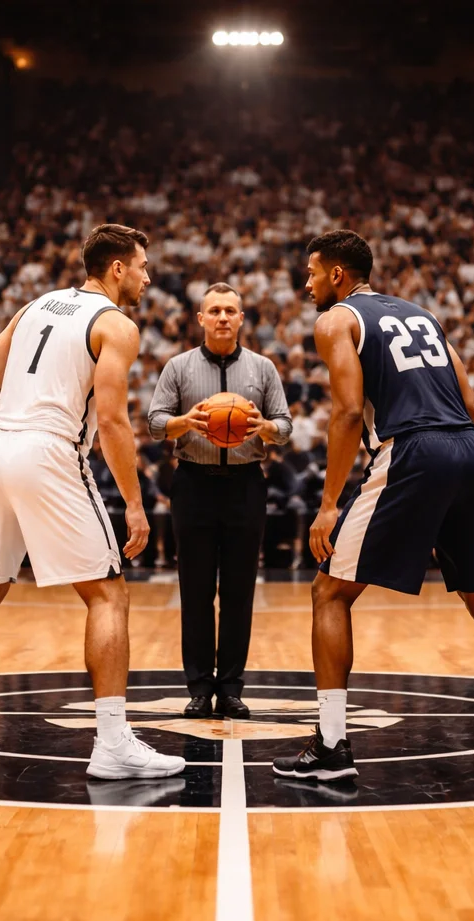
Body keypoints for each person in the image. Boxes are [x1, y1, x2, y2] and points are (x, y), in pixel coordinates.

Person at [0, 224, 185, 781]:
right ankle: (114, 743)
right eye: (142, 266)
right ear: (116, 268)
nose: (148, 277)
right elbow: (114, 420)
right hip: (50, 449)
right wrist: (136, 504)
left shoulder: (33, 307)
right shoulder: (116, 324)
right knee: (107, 595)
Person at [275, 229, 474, 781]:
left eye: (313, 272)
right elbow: (471, 396)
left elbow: (343, 413)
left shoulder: (337, 319)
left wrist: (329, 504)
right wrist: (461, 469)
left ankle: (333, 748)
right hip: (466, 446)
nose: (307, 282)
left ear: (337, 275)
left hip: (412, 448)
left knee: (329, 591)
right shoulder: (423, 315)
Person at [146, 282, 293, 719]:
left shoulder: (264, 369)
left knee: (238, 592)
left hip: (246, 484)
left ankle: (230, 687)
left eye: (231, 310)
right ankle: (197, 688)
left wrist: (263, 428)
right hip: (193, 482)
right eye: (215, 311)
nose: (223, 317)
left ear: (242, 318)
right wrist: (185, 422)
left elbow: (285, 425)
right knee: (194, 592)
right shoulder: (178, 367)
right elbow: (155, 423)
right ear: (201, 319)